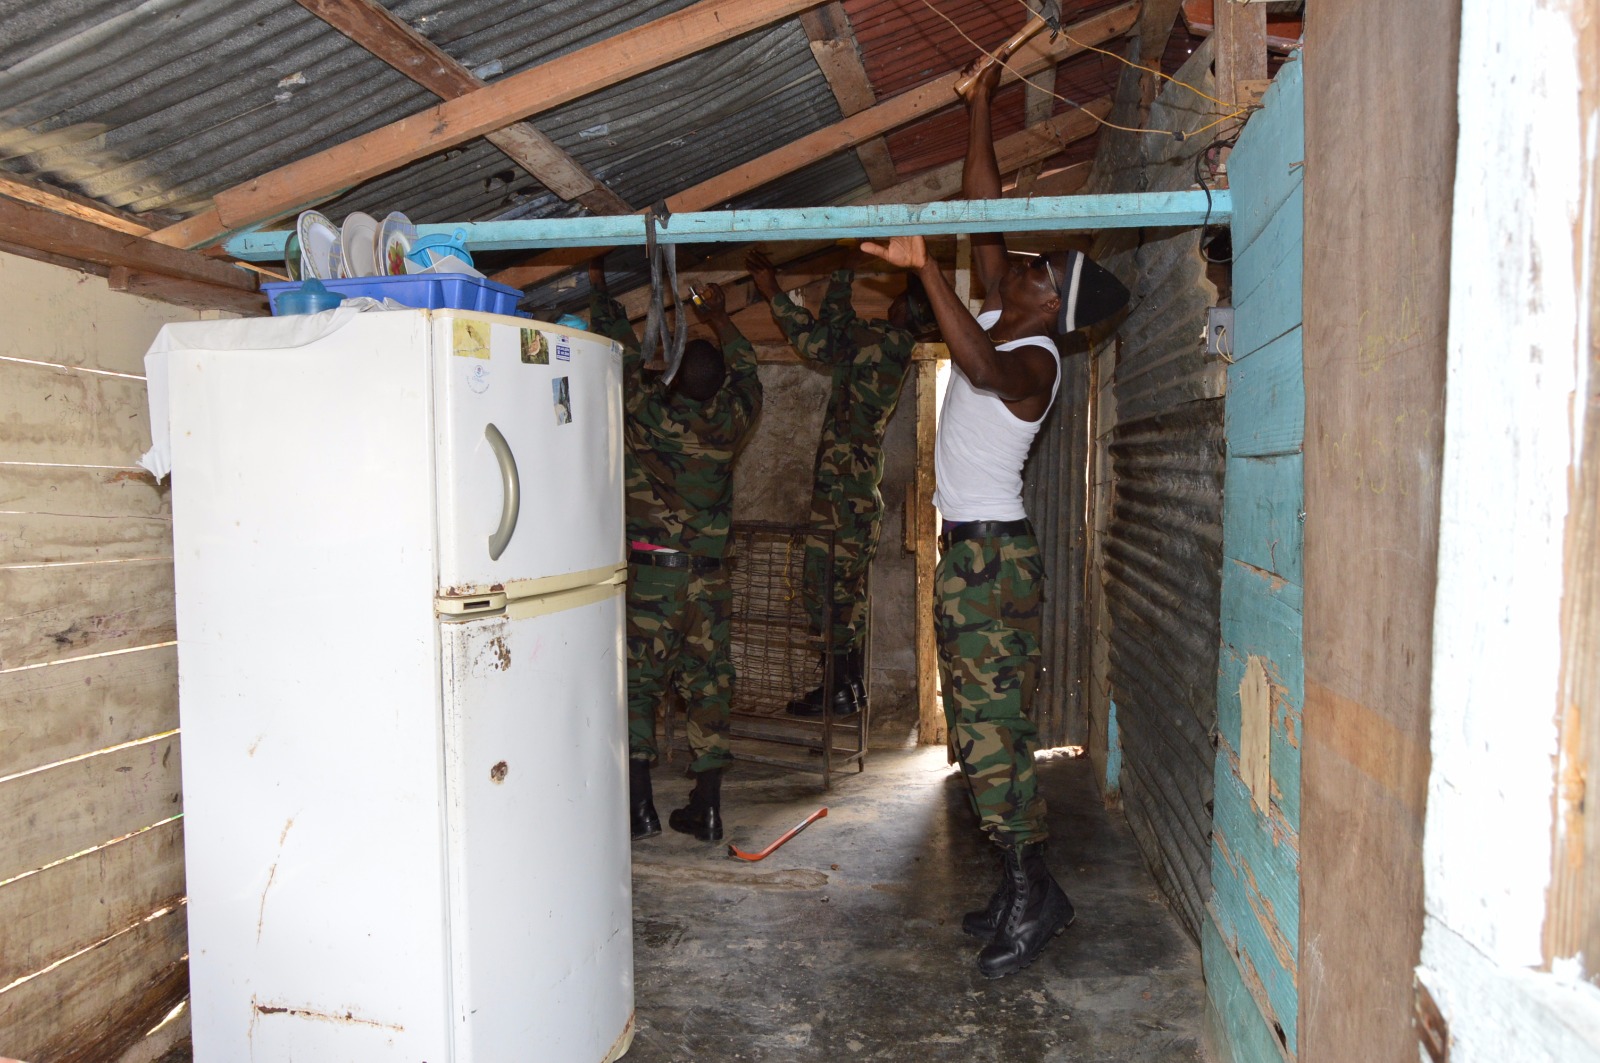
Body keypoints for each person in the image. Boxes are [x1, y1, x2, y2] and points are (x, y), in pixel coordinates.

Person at [860, 57, 1130, 979]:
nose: (1019, 262)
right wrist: (980, 106)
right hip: (976, 559)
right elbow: (985, 204)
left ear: (1051, 302)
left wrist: (924, 267)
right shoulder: (1003, 308)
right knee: (984, 731)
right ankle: (1022, 887)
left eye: (1038, 267)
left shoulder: (1036, 362)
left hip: (994, 564)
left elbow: (973, 366)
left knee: (990, 735)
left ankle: (1035, 893)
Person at [587, 258, 764, 844]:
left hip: (654, 581)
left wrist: (603, 292)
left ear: (674, 379)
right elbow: (748, 371)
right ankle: (707, 811)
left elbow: (622, 356)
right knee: (710, 688)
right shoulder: (734, 420)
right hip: (709, 582)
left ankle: (639, 811)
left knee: (639, 686)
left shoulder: (650, 414)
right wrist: (720, 318)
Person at [745, 249, 934, 718]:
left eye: (899, 299)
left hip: (843, 492)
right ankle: (847, 687)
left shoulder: (885, 339)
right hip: (854, 489)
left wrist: (772, 292)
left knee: (823, 587)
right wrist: (842, 273)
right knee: (845, 592)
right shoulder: (886, 345)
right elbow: (837, 328)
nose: (889, 303)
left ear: (910, 314)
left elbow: (816, 344)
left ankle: (837, 689)